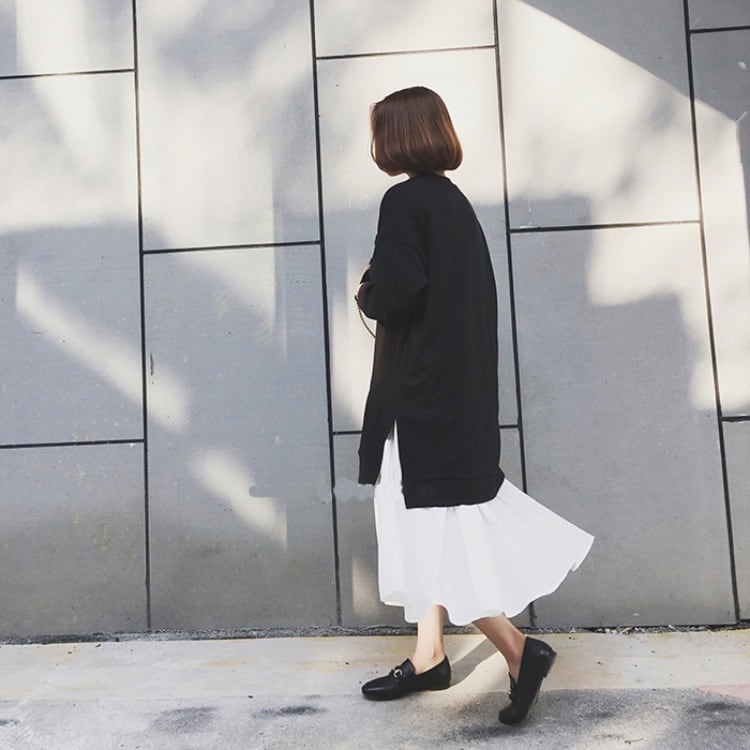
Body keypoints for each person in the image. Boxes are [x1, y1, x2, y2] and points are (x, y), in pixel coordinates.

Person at [354, 86, 594, 725]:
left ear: (394, 138)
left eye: (378, 132)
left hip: (422, 402)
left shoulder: (404, 201)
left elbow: (397, 295)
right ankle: (430, 656)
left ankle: (518, 649)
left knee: (428, 529)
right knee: (434, 522)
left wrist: (366, 290)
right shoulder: (453, 204)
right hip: (455, 398)